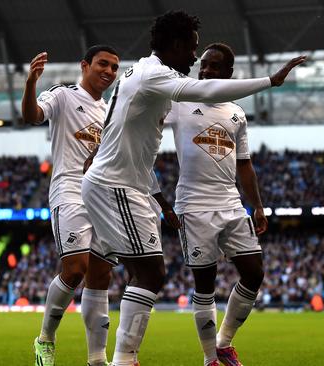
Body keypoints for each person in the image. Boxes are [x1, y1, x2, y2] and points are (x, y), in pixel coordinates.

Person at [81, 10, 305, 366]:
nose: (195, 59)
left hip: (132, 186)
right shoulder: (158, 76)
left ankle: (107, 358)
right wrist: (269, 80)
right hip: (118, 184)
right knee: (149, 272)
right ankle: (124, 359)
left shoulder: (143, 71)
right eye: (193, 50)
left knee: (124, 269)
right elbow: (202, 89)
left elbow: (122, 123)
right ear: (176, 44)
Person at [164, 42, 268, 366]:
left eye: (214, 66)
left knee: (254, 272)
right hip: (194, 206)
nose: (206, 70)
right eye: (204, 65)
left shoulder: (237, 113)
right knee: (204, 285)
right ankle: (210, 359)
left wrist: (258, 205)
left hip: (231, 204)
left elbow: (244, 164)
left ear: (229, 74)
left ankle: (224, 342)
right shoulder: (180, 101)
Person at [21, 45, 120, 366]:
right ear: (84, 65)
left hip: (102, 199)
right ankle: (45, 337)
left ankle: (96, 358)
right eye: (102, 64)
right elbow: (32, 115)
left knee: (100, 277)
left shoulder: (111, 111)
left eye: (114, 67)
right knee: (75, 269)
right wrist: (30, 83)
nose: (108, 71)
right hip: (69, 191)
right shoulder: (64, 95)